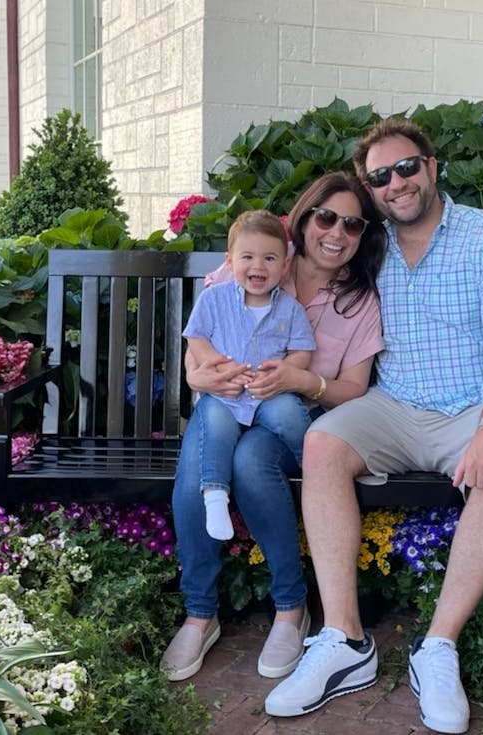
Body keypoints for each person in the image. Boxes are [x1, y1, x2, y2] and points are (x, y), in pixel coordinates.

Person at [264, 118, 483, 735]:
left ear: (432, 166)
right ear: (371, 187)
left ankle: (438, 647)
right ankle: (345, 640)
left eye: (407, 167)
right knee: (324, 441)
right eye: (380, 177)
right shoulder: (369, 243)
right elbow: (296, 265)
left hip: (473, 406)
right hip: (394, 403)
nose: (397, 184)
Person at [161, 172, 386, 683]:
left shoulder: (359, 300)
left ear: (362, 234)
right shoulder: (256, 263)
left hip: (291, 422)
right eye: (326, 217)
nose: (337, 232)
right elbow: (200, 342)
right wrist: (198, 373)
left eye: (352, 224)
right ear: (303, 223)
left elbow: (354, 389)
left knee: (250, 462)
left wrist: (303, 379)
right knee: (198, 475)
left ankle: (291, 609)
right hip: (223, 404)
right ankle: (200, 614)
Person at [183, 210, 315, 541]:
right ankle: (214, 494)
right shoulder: (214, 299)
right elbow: (195, 336)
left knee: (288, 412)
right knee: (214, 423)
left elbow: (302, 350)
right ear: (230, 261)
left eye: (270, 258)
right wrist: (215, 365)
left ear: (284, 265)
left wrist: (288, 370)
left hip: (266, 391)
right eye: (248, 257)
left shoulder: (290, 308)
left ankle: (313, 466)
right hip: (224, 392)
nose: (258, 266)